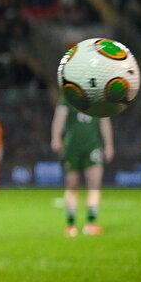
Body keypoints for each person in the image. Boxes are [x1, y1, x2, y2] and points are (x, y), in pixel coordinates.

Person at [51, 98, 114, 237]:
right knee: (72, 185)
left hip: (92, 146)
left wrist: (109, 145)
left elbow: (104, 121)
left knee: (95, 184)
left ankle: (91, 223)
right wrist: (56, 137)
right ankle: (71, 224)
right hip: (72, 146)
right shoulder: (68, 96)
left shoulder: (98, 97)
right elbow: (59, 117)